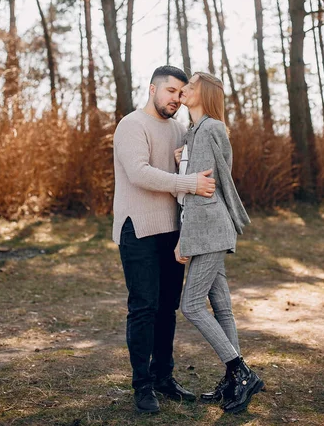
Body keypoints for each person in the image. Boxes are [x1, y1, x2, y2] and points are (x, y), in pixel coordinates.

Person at [113, 65, 216, 414]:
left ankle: (163, 377)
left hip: (172, 230)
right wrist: (188, 182)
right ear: (153, 88)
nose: (176, 98)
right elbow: (140, 173)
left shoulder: (179, 129)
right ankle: (142, 385)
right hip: (137, 227)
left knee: (168, 308)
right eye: (170, 91)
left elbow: (181, 177)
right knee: (144, 307)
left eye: (180, 92)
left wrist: (181, 168)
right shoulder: (131, 125)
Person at [174, 72, 264, 414]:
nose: (184, 89)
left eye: (191, 85)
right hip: (208, 228)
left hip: (208, 229)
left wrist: (185, 240)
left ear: (205, 93)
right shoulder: (194, 131)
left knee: (192, 305)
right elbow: (192, 182)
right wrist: (181, 159)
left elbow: (203, 190)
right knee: (222, 307)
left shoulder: (211, 127)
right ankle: (234, 380)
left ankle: (242, 372)